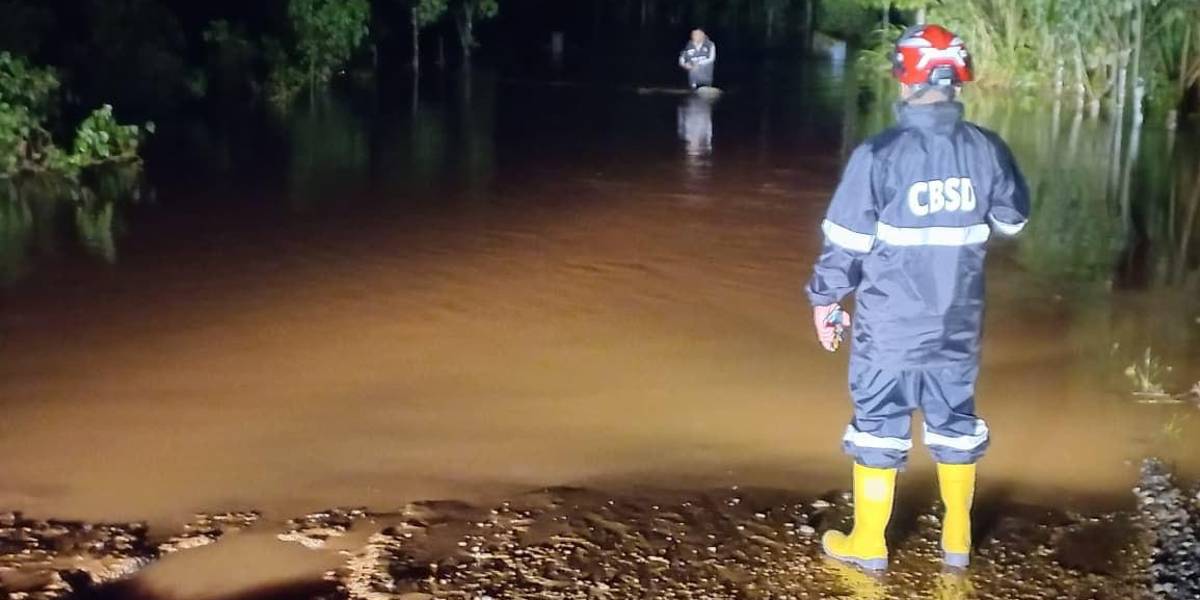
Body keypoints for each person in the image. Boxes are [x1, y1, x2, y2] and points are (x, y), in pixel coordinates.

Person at [807, 24, 1030, 572]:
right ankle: (956, 544)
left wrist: (825, 300)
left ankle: (869, 545)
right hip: (958, 325)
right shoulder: (987, 148)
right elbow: (1013, 219)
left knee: (878, 422)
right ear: (959, 78)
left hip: (889, 329)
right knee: (955, 422)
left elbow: (845, 246)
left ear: (904, 79)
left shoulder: (878, 155)